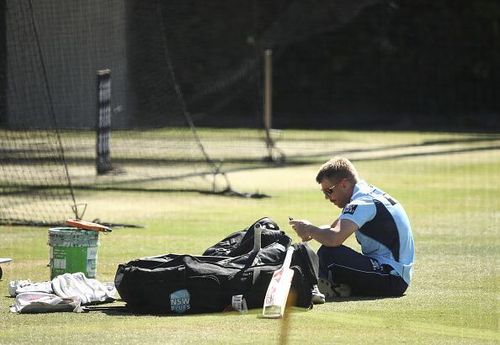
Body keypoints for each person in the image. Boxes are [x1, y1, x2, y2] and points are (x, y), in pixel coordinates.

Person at [290, 156, 414, 299]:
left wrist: (309, 229)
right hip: (391, 274)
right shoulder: (365, 195)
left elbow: (334, 238)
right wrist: (310, 230)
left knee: (330, 254)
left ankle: (316, 288)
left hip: (391, 277)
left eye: (329, 191)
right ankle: (335, 286)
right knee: (328, 251)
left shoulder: (362, 202)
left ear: (344, 184)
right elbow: (333, 228)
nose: (327, 198)